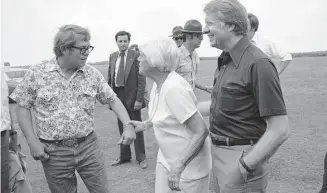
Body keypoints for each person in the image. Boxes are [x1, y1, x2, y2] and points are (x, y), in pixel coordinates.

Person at [9, 24, 137, 193]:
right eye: (82, 49)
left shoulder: (91, 74)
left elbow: (113, 100)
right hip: (53, 153)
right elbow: (23, 106)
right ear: (64, 49)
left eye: (88, 48)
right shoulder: (37, 74)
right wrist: (32, 142)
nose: (87, 53)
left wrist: (127, 125)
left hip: (89, 147)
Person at [199, 0, 290, 192]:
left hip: (240, 158)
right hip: (217, 155)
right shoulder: (226, 60)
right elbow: (221, 105)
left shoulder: (259, 64)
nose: (205, 30)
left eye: (209, 24)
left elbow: (280, 129)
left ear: (230, 25)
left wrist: (245, 165)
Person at [131, 38, 212, 193]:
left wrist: (179, 166)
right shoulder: (157, 84)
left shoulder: (174, 88)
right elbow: (167, 114)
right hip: (166, 158)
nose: (138, 59)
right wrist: (145, 124)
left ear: (156, 60)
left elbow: (200, 131)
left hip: (188, 167)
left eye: (142, 56)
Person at [108, 31, 147, 169]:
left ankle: (141, 157)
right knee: (122, 125)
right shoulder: (112, 57)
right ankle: (125, 156)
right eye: (120, 41)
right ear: (116, 42)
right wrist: (110, 98)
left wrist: (139, 100)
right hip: (118, 95)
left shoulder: (136, 55)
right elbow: (110, 78)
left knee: (137, 126)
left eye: (125, 41)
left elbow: (141, 79)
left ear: (129, 42)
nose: (123, 43)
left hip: (132, 95)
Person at [176, 20, 211, 93]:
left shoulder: (194, 54)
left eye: (201, 36)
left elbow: (192, 80)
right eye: (199, 36)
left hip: (191, 98)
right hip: (179, 100)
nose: (202, 39)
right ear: (188, 36)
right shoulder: (176, 55)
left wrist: (206, 89)